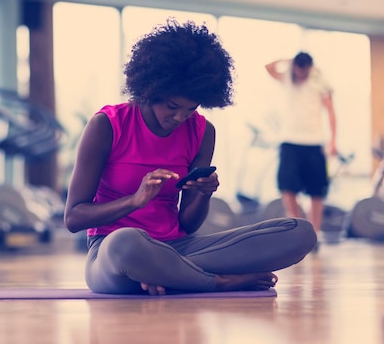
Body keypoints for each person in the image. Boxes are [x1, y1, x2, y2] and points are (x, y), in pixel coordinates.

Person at [64, 19, 317, 296]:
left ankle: (166, 273)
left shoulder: (202, 131)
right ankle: (217, 282)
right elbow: (74, 218)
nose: (179, 118)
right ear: (150, 90)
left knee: (299, 232)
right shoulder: (107, 125)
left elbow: (187, 225)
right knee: (127, 242)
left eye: (190, 109)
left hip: (178, 248)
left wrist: (203, 194)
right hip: (112, 252)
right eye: (172, 107)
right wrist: (136, 200)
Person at [264, 52, 337, 242]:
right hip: (290, 141)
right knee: (287, 186)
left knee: (316, 190)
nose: (301, 75)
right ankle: (298, 230)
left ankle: (314, 233)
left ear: (310, 68)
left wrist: (333, 141)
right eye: (298, 70)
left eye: (304, 71)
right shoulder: (287, 78)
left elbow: (330, 112)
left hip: (314, 142)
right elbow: (268, 67)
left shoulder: (319, 81)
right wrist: (288, 59)